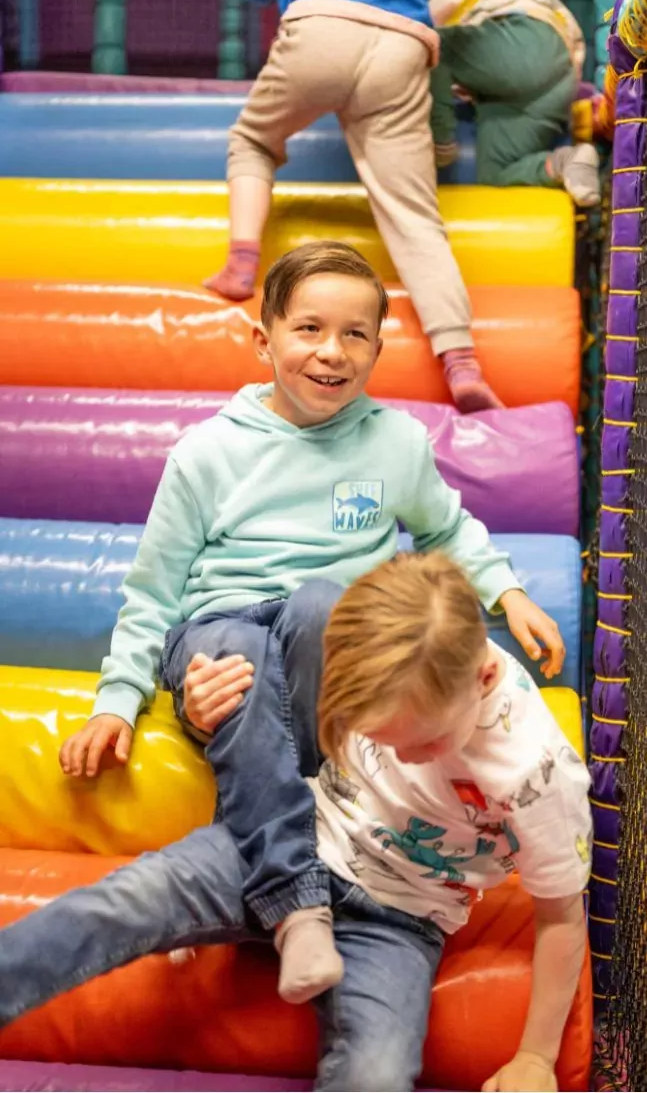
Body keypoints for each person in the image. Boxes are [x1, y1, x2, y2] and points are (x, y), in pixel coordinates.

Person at [57, 240, 564, 1007]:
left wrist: (507, 591)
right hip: (218, 624)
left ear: (376, 349)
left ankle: (246, 871)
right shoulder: (207, 452)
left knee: (321, 603)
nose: (332, 351)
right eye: (308, 329)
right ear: (263, 340)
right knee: (241, 651)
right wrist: (117, 700)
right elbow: (154, 591)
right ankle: (295, 904)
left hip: (327, 638)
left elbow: (445, 528)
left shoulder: (393, 442)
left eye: (355, 334)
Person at [0, 553, 589, 1093]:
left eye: (425, 744)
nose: (405, 759)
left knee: (376, 1074)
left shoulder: (534, 771)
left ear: (483, 678)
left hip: (399, 918)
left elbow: (561, 917)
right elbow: (267, 720)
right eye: (381, 739)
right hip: (289, 845)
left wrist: (536, 1057)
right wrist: (200, 712)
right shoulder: (373, 657)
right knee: (123, 902)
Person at [205, 0, 504, 414]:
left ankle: (241, 263)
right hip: (401, 40)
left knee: (252, 140)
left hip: (320, 28)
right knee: (412, 214)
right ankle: (460, 359)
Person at [429, 0, 601, 207]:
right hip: (557, 78)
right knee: (496, 171)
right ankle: (565, 162)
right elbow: (574, 41)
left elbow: (423, 29)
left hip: (515, 49)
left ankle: (441, 139)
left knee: (428, 43)